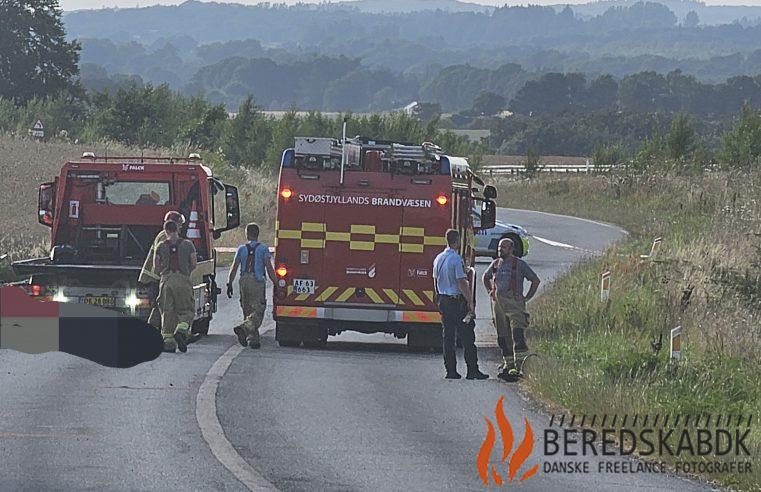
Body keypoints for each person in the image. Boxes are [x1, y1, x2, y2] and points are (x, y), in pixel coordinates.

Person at [432, 229, 488, 380]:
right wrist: (470, 302)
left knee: (448, 337)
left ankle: (450, 370)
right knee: (467, 336)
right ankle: (472, 370)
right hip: (456, 302)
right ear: (456, 241)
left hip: (443, 299)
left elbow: (435, 280)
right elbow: (462, 282)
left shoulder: (438, 258)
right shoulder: (456, 260)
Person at [482, 237, 540, 382]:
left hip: (515, 304)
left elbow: (535, 280)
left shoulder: (520, 265)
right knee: (503, 337)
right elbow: (485, 277)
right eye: (499, 247)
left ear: (512, 249)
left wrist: (527, 297)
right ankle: (509, 366)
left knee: (517, 335)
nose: (500, 250)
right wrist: (490, 291)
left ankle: (522, 366)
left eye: (504, 247)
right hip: (499, 305)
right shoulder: (495, 264)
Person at [227, 223, 276, 349]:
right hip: (257, 281)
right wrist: (276, 283)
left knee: (247, 309)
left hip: (243, 280)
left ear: (247, 234)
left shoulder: (241, 249)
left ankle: (253, 339)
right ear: (258, 234)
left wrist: (229, 283)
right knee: (258, 310)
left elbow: (234, 267)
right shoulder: (263, 249)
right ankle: (245, 328)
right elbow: (269, 268)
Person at [153, 220, 197, 353]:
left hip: (166, 281)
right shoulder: (188, 244)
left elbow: (156, 266)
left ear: (165, 231)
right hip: (183, 279)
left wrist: (164, 272)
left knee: (167, 312)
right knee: (186, 310)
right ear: (177, 229)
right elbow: (194, 263)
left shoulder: (160, 246)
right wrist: (186, 271)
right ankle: (181, 331)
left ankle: (168, 343)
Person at [139, 211, 186, 332]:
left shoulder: (164, 235)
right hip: (156, 278)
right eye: (180, 224)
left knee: (160, 305)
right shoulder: (165, 237)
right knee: (161, 305)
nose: (181, 227)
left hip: (157, 278)